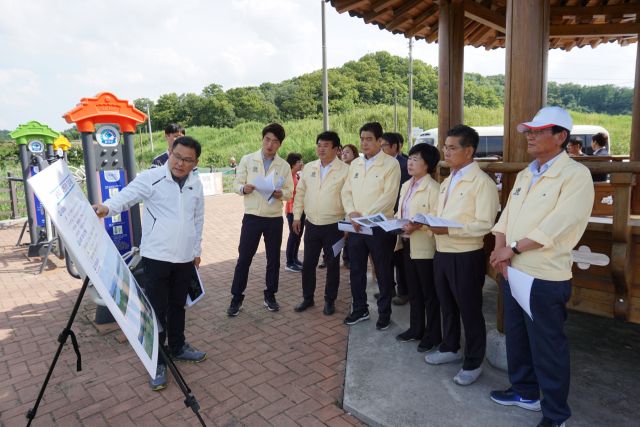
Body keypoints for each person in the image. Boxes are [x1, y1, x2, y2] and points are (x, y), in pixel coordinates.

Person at [489, 107, 594, 427]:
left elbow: (559, 224)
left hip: (544, 274)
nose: (530, 137)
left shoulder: (576, 175)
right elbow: (506, 216)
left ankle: (556, 414)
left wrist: (513, 248)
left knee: (548, 346)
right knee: (518, 337)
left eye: (538, 131)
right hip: (513, 269)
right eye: (529, 132)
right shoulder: (525, 173)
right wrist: (499, 250)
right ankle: (525, 392)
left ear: (560, 137)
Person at [93, 136, 206, 391]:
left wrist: (196, 250)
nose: (180, 163)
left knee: (178, 305)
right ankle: (157, 361)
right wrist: (105, 208)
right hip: (157, 256)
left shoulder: (196, 184)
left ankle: (177, 347)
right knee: (156, 310)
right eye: (177, 156)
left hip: (185, 258)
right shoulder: (152, 177)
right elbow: (126, 197)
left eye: (187, 160)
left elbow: (198, 218)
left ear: (195, 162)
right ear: (170, 152)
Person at [424, 124, 499, 386]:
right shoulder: (448, 179)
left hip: (466, 255)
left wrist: (449, 230)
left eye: (451, 147)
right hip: (442, 252)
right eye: (445, 147)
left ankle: (473, 362)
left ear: (469, 151)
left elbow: (485, 224)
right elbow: (437, 211)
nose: (445, 151)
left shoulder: (483, 183)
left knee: (470, 310)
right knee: (447, 305)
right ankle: (451, 348)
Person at [228, 123, 294, 315]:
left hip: (274, 219)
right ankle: (236, 298)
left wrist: (282, 193)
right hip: (252, 218)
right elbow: (236, 184)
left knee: (273, 259)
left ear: (280, 144)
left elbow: (289, 192)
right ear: (262, 139)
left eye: (275, 141)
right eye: (267, 139)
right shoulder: (248, 160)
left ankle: (270, 295)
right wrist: (243, 188)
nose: (270, 144)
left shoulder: (284, 166)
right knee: (244, 258)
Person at [341, 122, 401, 330]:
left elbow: (389, 197)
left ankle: (384, 313)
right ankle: (360, 309)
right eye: (361, 138)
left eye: (369, 139)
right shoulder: (356, 164)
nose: (364, 143)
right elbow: (346, 191)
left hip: (379, 228)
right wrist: (352, 213)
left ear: (379, 141)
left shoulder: (391, 164)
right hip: (356, 227)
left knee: (383, 272)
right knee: (356, 270)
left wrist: (363, 217)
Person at [292, 131, 350, 315]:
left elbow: (350, 198)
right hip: (312, 225)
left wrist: (347, 224)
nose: (321, 149)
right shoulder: (309, 167)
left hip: (334, 226)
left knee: (333, 264)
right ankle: (307, 297)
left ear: (336, 149)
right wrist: (296, 217)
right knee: (309, 263)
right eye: (319, 145)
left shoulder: (345, 170)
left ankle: (329, 300)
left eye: (326, 145)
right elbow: (300, 193)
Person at [394, 143, 442, 353]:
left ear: (428, 165)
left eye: (416, 159)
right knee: (414, 291)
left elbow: (436, 220)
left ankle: (433, 335)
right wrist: (394, 222)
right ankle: (416, 329)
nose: (410, 163)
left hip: (425, 248)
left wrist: (418, 226)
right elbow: (401, 211)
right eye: (410, 158)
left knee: (429, 294)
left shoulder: (434, 189)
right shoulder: (407, 185)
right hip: (406, 244)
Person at [380, 132, 411, 306]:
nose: (381, 149)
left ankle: (403, 291)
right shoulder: (378, 165)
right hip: (382, 216)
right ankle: (388, 288)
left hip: (397, 217)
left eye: (384, 145)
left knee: (399, 256)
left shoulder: (405, 165)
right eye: (381, 145)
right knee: (386, 256)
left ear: (395, 146)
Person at [284, 153, 305, 272]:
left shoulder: (297, 175)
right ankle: (289, 262)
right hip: (292, 210)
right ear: (292, 164)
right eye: (299, 162)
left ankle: (295, 258)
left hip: (300, 209)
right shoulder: (289, 178)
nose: (301, 164)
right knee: (293, 235)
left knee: (298, 236)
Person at [341, 144, 360, 269]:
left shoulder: (358, 169)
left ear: (355, 154)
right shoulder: (339, 168)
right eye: (343, 152)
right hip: (342, 208)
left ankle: (348, 258)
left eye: (348, 152)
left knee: (350, 235)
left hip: (353, 210)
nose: (344, 154)